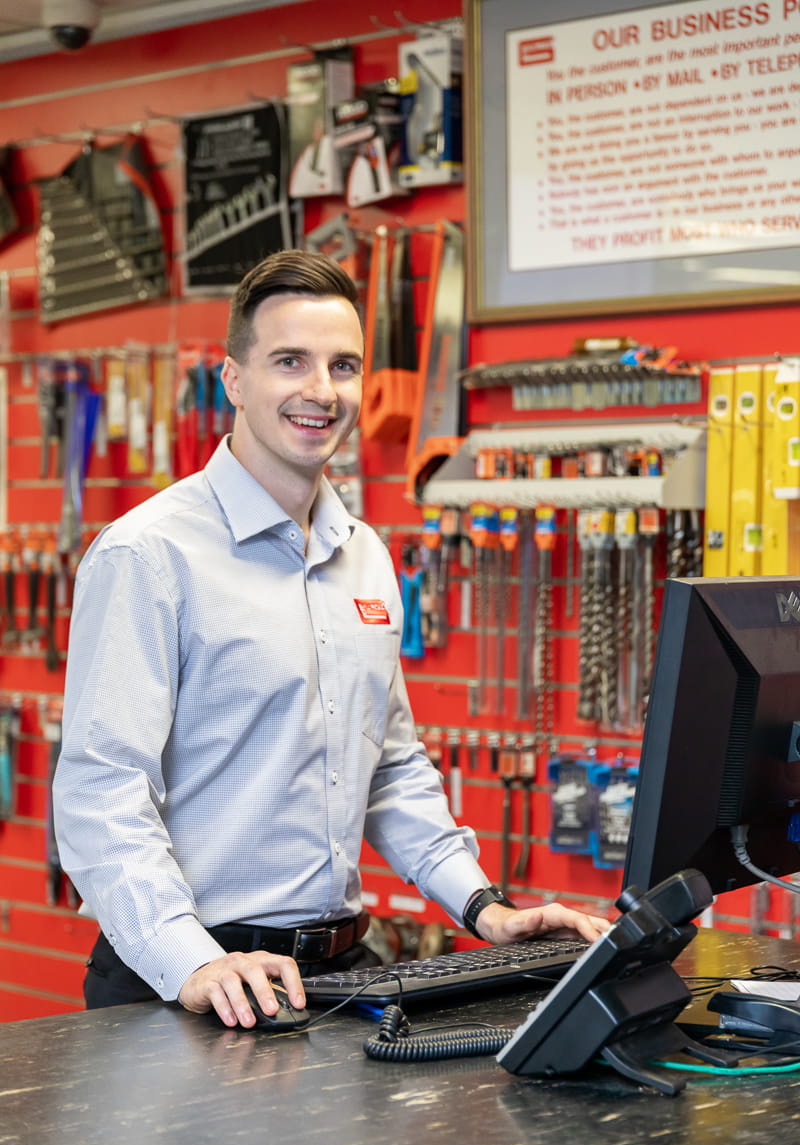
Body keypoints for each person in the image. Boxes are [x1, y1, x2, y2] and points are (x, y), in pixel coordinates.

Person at [53, 249, 609, 1030]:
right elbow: (100, 795)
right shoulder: (148, 555)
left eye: (343, 366)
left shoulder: (366, 555)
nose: (321, 391)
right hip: (187, 985)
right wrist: (194, 960)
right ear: (234, 381)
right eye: (291, 362)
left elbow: (391, 767)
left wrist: (483, 908)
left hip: (340, 975)